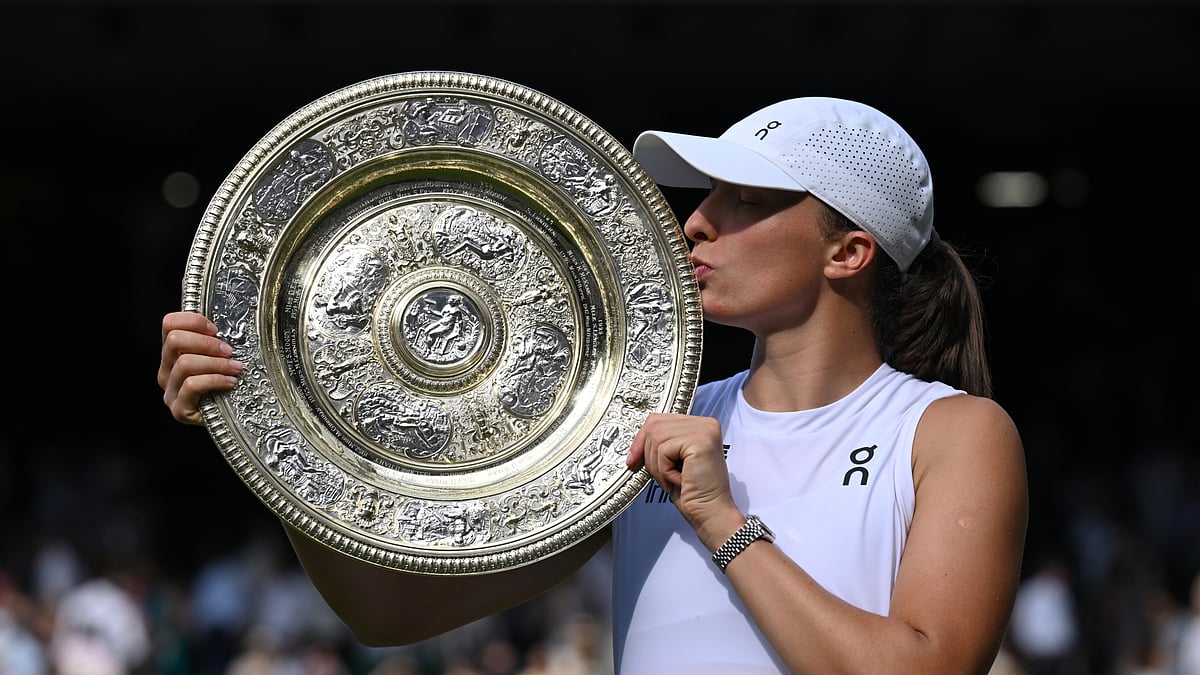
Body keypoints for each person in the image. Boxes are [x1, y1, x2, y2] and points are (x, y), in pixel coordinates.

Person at [159, 95, 1029, 674]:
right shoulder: (643, 423)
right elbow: (386, 613)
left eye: (746, 199)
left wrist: (721, 519)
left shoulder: (952, 431)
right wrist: (275, 424)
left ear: (849, 250)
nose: (697, 220)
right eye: (707, 194)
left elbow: (928, 667)